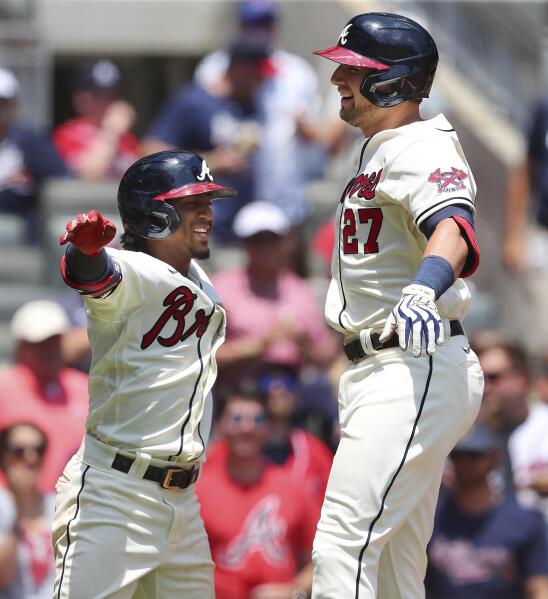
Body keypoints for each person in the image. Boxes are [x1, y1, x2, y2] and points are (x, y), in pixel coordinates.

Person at [311, 13, 484, 598]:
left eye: (354, 70)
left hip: (413, 363)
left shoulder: (420, 144)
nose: (339, 80)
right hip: (390, 369)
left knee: (342, 542)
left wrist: (424, 285)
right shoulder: (381, 149)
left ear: (394, 81)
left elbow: (453, 226)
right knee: (391, 567)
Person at [52, 150, 236, 597]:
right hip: (114, 496)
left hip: (182, 501)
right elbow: (94, 277)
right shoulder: (133, 270)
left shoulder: (197, 275)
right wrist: (87, 250)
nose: (208, 213)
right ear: (157, 214)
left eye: (208, 201)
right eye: (193, 204)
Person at [194, 0, 323, 230]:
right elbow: (198, 120)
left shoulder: (295, 71)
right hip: (230, 193)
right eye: (252, 23)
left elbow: (313, 135)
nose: (259, 30)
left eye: (265, 23)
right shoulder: (214, 66)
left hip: (282, 194)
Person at [143, 38, 273, 243]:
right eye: (258, 75)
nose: (262, 82)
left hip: (243, 225)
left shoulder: (252, 106)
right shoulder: (194, 101)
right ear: (240, 68)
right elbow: (151, 151)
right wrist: (209, 162)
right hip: (200, 224)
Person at [196, 384, 317, 599]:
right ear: (219, 425)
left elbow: (321, 558)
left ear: (269, 427)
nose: (247, 428)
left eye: (258, 420)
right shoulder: (198, 489)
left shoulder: (292, 486)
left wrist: (294, 591)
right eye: (236, 419)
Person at [211, 201, 338, 389]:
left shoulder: (299, 290)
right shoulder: (221, 288)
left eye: (271, 240)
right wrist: (258, 346)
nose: (265, 248)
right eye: (257, 241)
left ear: (284, 243)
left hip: (292, 394)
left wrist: (303, 344)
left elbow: (326, 357)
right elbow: (203, 355)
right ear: (245, 244)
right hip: (237, 393)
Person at [425, 424, 548, 599]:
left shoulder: (525, 521)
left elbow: (539, 587)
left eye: (473, 455)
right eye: (457, 455)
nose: (464, 462)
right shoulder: (431, 516)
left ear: (494, 457)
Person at [0, 300, 88, 492]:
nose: (50, 350)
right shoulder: (4, 387)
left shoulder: (84, 387)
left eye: (55, 341)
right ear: (21, 346)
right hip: (10, 504)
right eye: (40, 343)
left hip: (74, 502)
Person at [0, 68, 68, 241]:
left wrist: (32, 182)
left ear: (12, 106)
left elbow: (61, 179)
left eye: (2, 103)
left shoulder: (30, 142)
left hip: (24, 245)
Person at [503, 98, 548, 353]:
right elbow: (524, 170)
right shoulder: (544, 109)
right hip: (544, 232)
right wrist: (513, 236)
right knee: (542, 332)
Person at [53, 59, 140, 180]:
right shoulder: (67, 135)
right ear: (80, 97)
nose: (108, 100)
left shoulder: (126, 137)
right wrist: (111, 131)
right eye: (99, 94)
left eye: (112, 94)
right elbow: (88, 172)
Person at [0, 423, 56, 598]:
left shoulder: (57, 504)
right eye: (19, 450)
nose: (30, 457)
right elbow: (3, 576)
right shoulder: (3, 503)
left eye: (38, 449)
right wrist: (18, 504)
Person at [475, 340, 530, 495]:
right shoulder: (465, 437)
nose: (485, 387)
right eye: (479, 378)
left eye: (493, 377)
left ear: (521, 380)